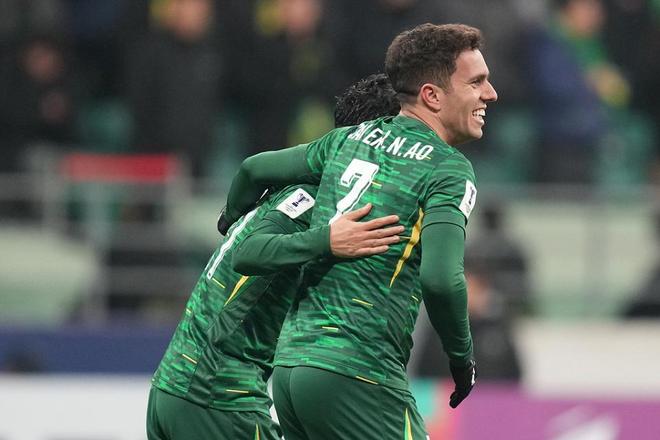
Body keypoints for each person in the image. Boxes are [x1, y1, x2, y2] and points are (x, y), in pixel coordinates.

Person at [220, 23, 497, 439]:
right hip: (360, 372)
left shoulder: (346, 140)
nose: (490, 93)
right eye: (476, 82)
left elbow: (253, 169)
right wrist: (462, 359)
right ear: (432, 95)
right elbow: (442, 280)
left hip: (292, 370)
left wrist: (229, 218)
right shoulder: (448, 169)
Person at [146, 73, 401, 440]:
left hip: (181, 389)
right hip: (217, 396)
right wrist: (328, 240)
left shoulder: (296, 190)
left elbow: (251, 170)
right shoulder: (312, 201)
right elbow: (249, 252)